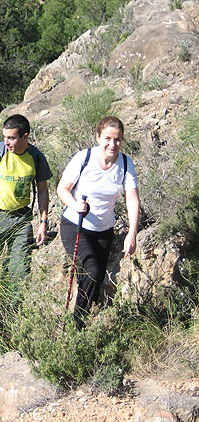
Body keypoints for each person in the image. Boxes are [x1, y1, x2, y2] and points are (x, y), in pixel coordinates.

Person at [57, 116, 139, 329]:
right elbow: (62, 189)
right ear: (98, 137)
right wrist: (75, 204)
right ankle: (77, 326)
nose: (113, 144)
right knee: (91, 271)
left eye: (117, 139)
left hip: (104, 231)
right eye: (107, 138)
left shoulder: (125, 163)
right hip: (75, 225)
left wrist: (132, 233)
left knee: (96, 277)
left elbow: (132, 199)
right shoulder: (84, 158)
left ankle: (82, 323)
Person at [0, 114, 52, 281]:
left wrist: (43, 222)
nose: (6, 142)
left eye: (11, 138)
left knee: (20, 269)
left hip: (21, 218)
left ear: (25, 137)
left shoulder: (36, 157)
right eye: (4, 137)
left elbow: (43, 190)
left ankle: (13, 297)